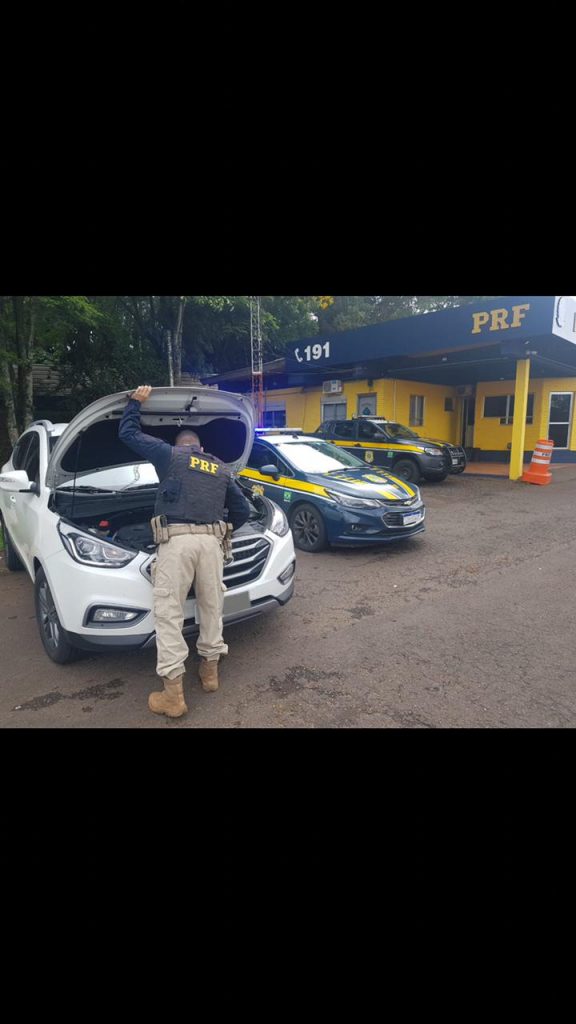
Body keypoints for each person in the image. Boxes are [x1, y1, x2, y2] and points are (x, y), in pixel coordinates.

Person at [119, 385, 251, 719]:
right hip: (211, 544)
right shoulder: (221, 468)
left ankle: (173, 696)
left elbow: (128, 434)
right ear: (201, 448)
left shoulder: (169, 455)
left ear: (180, 446)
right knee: (212, 607)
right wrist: (223, 528)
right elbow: (243, 511)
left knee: (170, 614)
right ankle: (210, 673)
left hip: (176, 542)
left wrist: (134, 403)